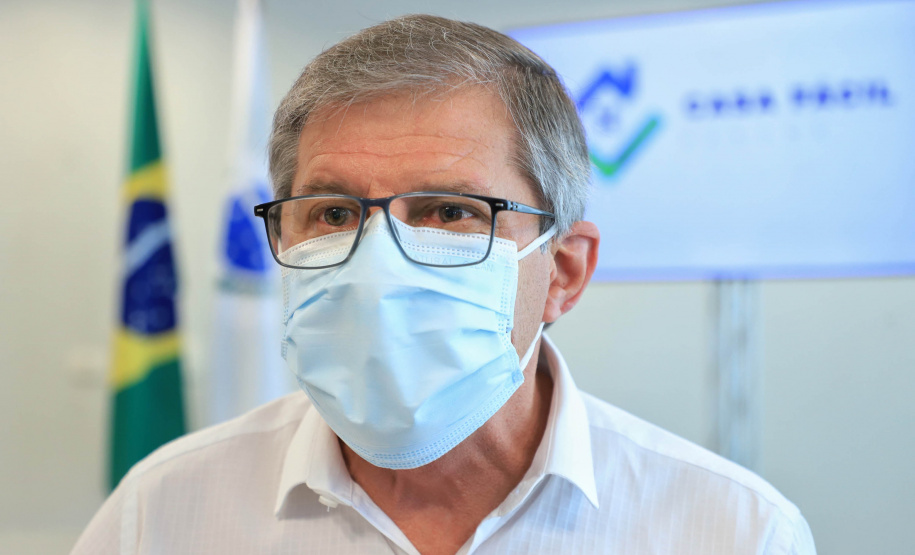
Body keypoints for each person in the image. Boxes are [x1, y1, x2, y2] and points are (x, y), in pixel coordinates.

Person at [72, 14, 815, 555]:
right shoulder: (162, 513)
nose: (377, 261)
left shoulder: (731, 530)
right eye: (332, 211)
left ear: (562, 271)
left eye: (449, 211)